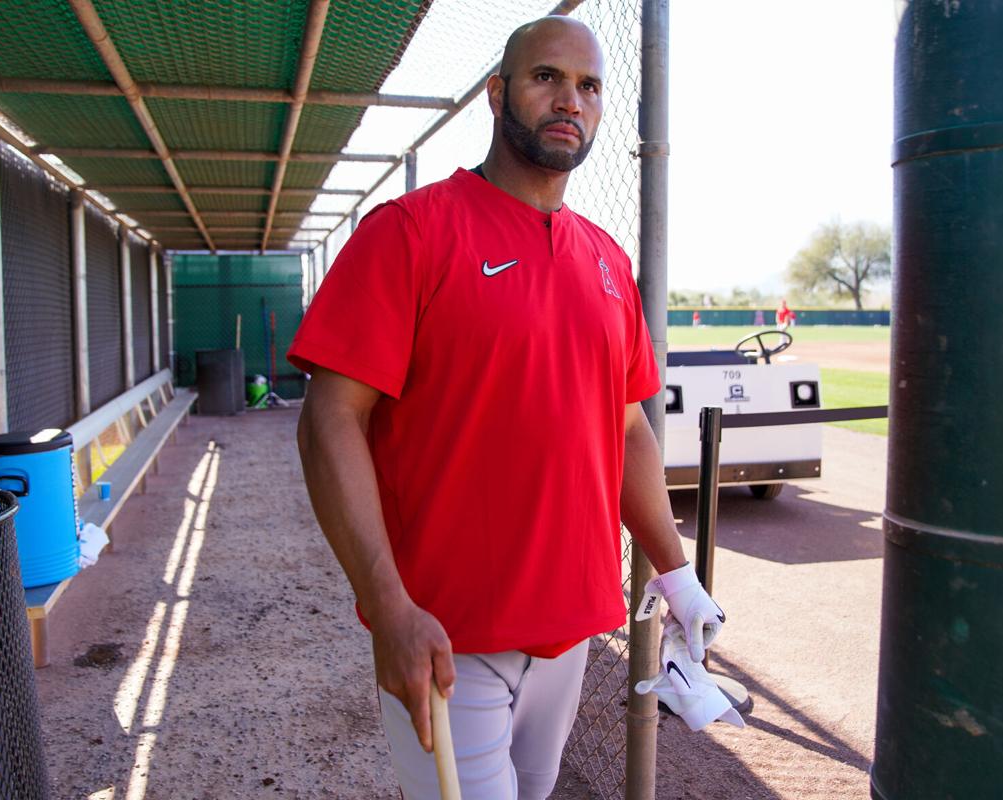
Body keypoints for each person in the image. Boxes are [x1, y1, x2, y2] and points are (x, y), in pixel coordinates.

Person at [290, 16, 725, 799]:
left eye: (589, 85)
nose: (571, 100)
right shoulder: (410, 233)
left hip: (571, 635)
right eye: (546, 77)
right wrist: (389, 607)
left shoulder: (605, 258)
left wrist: (676, 572)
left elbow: (626, 430)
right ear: (497, 94)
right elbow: (330, 421)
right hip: (447, 636)